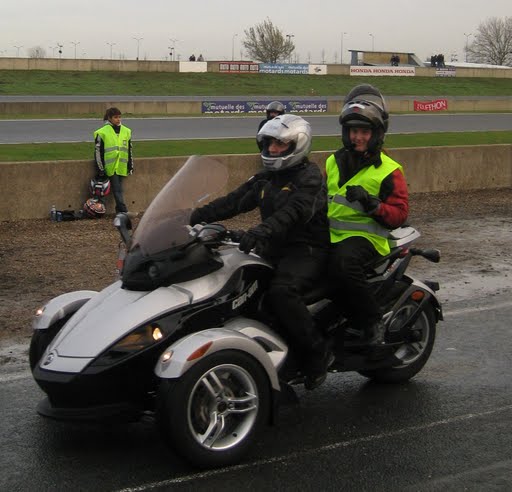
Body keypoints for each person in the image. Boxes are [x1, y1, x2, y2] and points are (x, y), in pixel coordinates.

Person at [190, 114, 332, 389]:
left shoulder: (310, 178)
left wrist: (260, 232)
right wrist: (193, 216)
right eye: (269, 144)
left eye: (280, 144)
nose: (274, 149)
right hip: (273, 248)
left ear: (297, 145)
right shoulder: (266, 178)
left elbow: (294, 213)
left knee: (281, 292)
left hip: (306, 249)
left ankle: (317, 352)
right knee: (237, 286)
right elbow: (234, 201)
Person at [325, 85, 409, 347]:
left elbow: (399, 215)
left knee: (343, 263)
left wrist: (372, 205)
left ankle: (373, 320)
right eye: (353, 131)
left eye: (364, 131)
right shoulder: (332, 161)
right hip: (330, 233)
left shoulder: (389, 170)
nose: (357, 137)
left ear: (376, 134)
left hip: (367, 239)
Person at [94, 107, 133, 213]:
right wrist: (100, 168)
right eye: (116, 117)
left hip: (121, 166)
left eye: (120, 117)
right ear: (109, 118)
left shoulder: (126, 131)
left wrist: (130, 165)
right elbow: (98, 152)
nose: (118, 119)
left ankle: (119, 210)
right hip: (110, 167)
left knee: (119, 189)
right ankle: (123, 211)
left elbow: (129, 150)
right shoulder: (102, 132)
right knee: (117, 190)